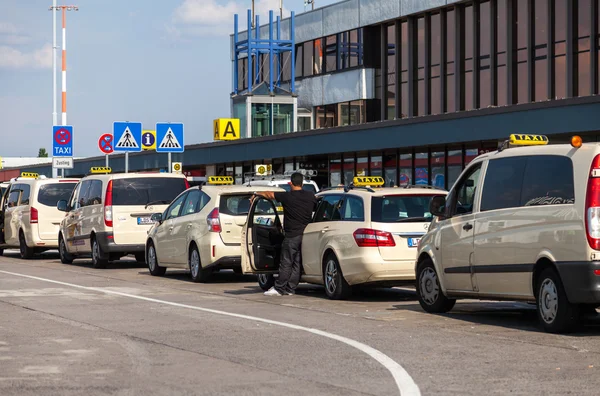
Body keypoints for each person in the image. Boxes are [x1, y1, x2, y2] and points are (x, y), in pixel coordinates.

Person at [253, 172, 317, 296]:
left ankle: (279, 288)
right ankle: (290, 288)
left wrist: (256, 194)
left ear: (290, 183)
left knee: (286, 262)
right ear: (302, 183)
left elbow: (269, 194)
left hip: (292, 235)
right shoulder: (310, 196)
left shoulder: (287, 197)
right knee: (297, 262)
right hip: (306, 235)